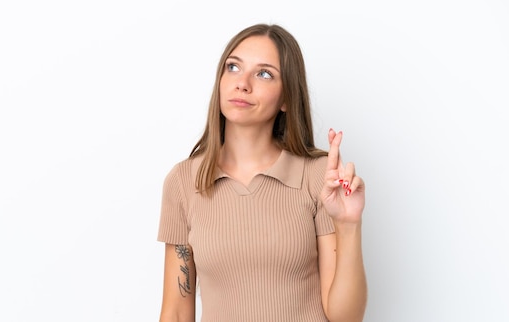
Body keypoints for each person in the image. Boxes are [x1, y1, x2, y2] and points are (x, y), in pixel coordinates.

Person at [157, 23, 367, 322]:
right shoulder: (183, 182)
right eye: (233, 67)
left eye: (264, 73)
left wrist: (349, 225)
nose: (242, 83)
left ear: (286, 99)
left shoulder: (317, 177)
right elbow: (176, 312)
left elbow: (345, 318)